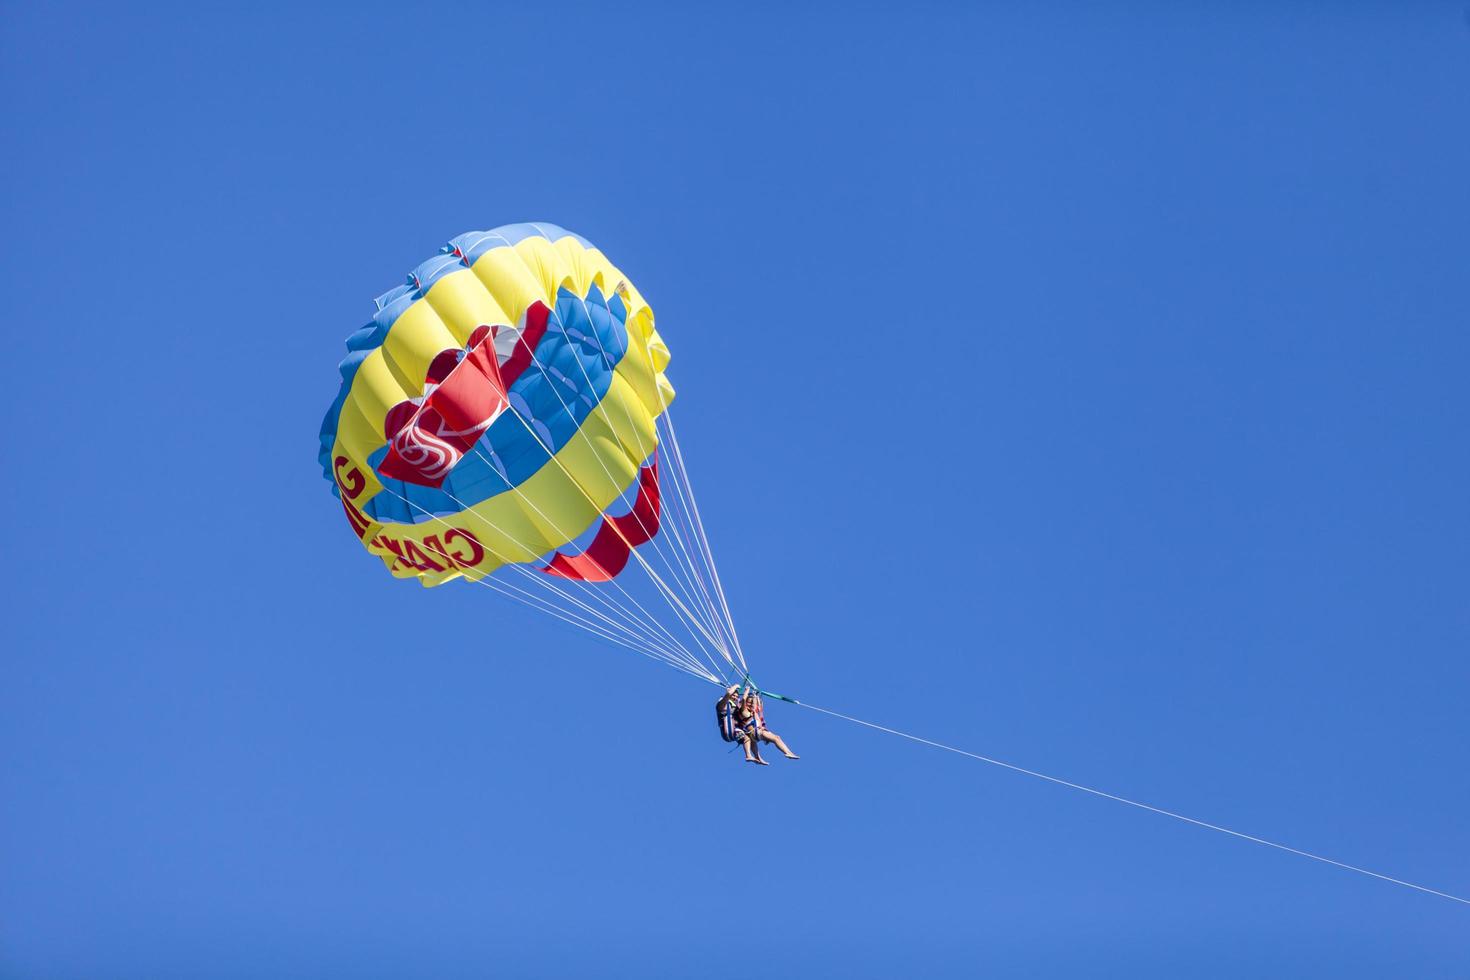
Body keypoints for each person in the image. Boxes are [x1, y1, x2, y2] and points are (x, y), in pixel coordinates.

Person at [737, 690, 799, 762]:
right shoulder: (744, 711)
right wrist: (747, 690)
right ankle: (787, 753)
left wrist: (756, 696)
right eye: (749, 703)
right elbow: (744, 699)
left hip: (756, 734)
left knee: (776, 738)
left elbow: (756, 705)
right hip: (756, 733)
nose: (751, 704)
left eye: (752, 703)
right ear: (745, 704)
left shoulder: (753, 712)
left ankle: (758, 758)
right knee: (776, 738)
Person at [716, 684, 764, 765]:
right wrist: (735, 686)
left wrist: (752, 694)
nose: (735, 697)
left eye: (736, 696)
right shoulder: (721, 705)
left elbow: (744, 703)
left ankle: (757, 756)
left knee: (751, 738)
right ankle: (748, 755)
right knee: (746, 737)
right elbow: (727, 695)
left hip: (734, 732)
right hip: (728, 732)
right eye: (733, 695)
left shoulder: (735, 707)